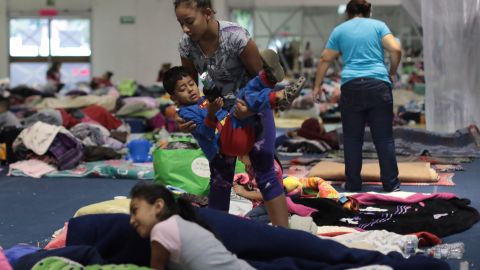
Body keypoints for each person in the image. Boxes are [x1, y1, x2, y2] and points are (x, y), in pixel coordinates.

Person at [174, 0, 291, 227]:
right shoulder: (186, 46)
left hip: (250, 106)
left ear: (207, 13)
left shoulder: (236, 38)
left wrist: (250, 109)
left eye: (189, 22)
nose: (185, 29)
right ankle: (219, 236)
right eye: (180, 23)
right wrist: (184, 119)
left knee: (264, 167)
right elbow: (191, 88)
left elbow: (263, 79)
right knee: (220, 174)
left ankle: (284, 234)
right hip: (220, 114)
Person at [312, 0, 402, 192]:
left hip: (351, 86)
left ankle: (353, 185)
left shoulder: (340, 30)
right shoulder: (379, 26)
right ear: (368, 11)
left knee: (353, 139)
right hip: (378, 85)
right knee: (384, 138)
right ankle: (391, 184)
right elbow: (395, 49)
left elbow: (325, 58)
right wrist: (391, 72)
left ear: (348, 13)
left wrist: (317, 86)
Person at [129, 181, 255, 270]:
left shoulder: (161, 229)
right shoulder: (181, 223)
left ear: (158, 206)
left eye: (135, 211)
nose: (131, 220)